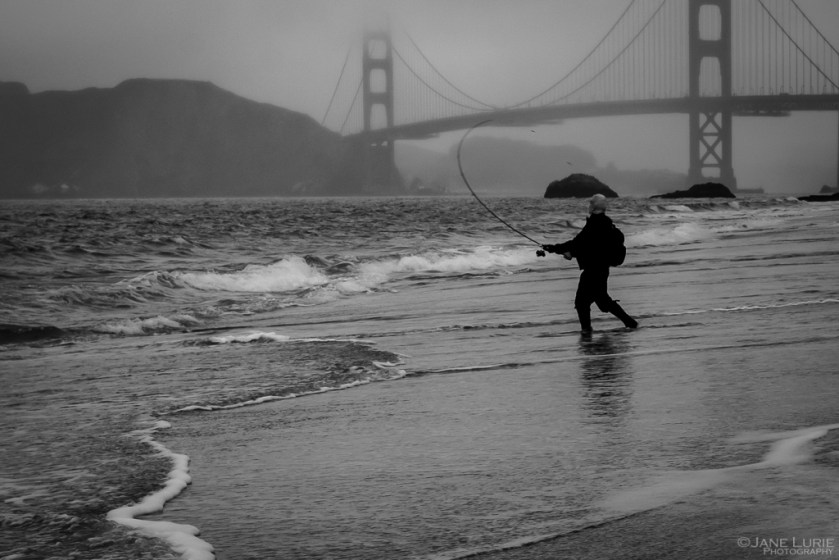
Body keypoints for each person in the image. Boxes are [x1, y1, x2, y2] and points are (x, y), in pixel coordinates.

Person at [542, 194, 638, 333]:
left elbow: (578, 244)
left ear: (593, 206)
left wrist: (554, 248)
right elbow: (586, 245)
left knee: (582, 303)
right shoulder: (605, 223)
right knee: (602, 302)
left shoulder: (595, 223)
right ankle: (629, 323)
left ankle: (587, 331)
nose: (588, 206)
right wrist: (565, 251)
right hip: (601, 269)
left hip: (593, 270)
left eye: (590, 203)